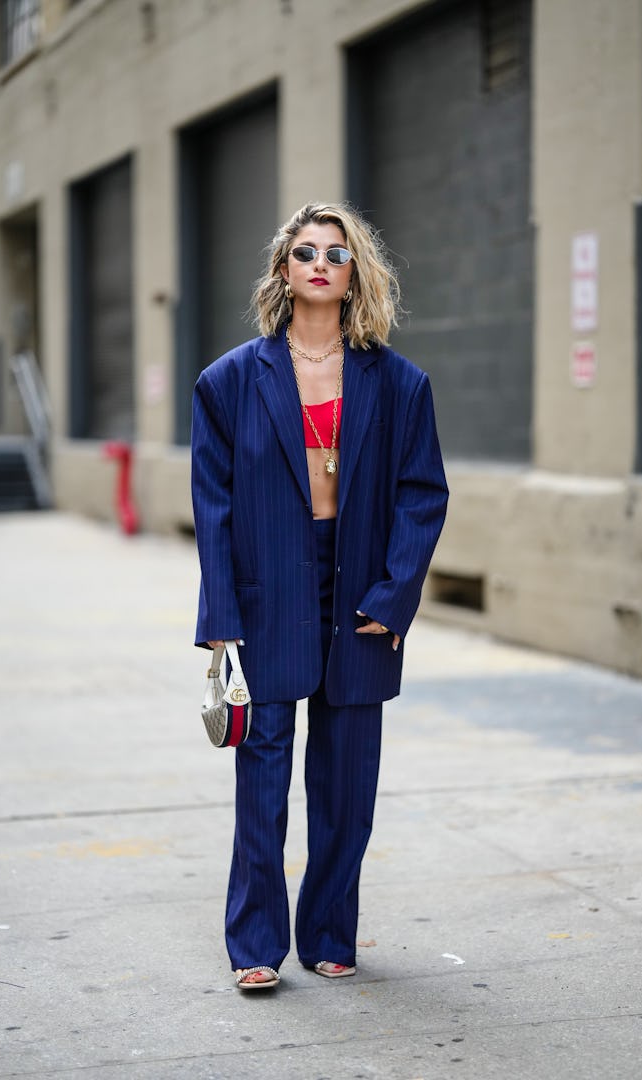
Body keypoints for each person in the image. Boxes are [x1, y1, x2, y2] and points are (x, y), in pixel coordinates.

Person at [191, 201, 448, 991]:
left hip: (360, 587)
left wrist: (394, 595)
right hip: (270, 588)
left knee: (346, 783)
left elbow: (421, 493)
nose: (319, 263)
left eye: (336, 254)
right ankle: (255, 945)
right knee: (262, 779)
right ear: (282, 269)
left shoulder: (399, 382)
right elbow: (215, 507)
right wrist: (221, 620)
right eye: (304, 251)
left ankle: (332, 931)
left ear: (353, 275)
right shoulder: (229, 381)